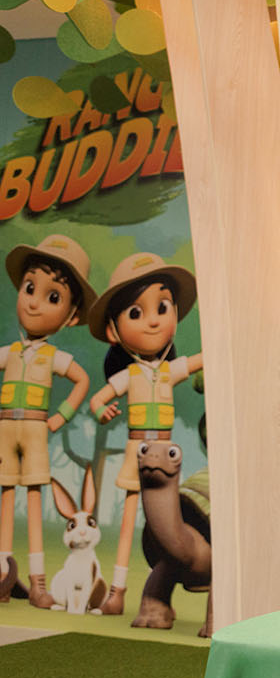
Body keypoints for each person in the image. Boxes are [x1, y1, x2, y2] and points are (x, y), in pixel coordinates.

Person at [87, 252, 202, 617]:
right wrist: (101, 409)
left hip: (165, 449)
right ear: (113, 329)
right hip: (137, 448)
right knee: (130, 519)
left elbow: (203, 358)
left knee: (164, 516)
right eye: (136, 313)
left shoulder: (170, 371)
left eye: (162, 307)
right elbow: (98, 398)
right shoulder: (129, 376)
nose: (152, 321)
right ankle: (117, 591)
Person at [1, 235, 95, 608]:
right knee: (6, 500)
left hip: (37, 429)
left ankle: (38, 583)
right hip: (6, 429)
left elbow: (82, 380)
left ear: (71, 315)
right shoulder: (11, 352)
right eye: (30, 288)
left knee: (36, 500)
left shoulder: (54, 356)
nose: (36, 302)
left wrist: (60, 417)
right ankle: (5, 577)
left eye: (53, 296)